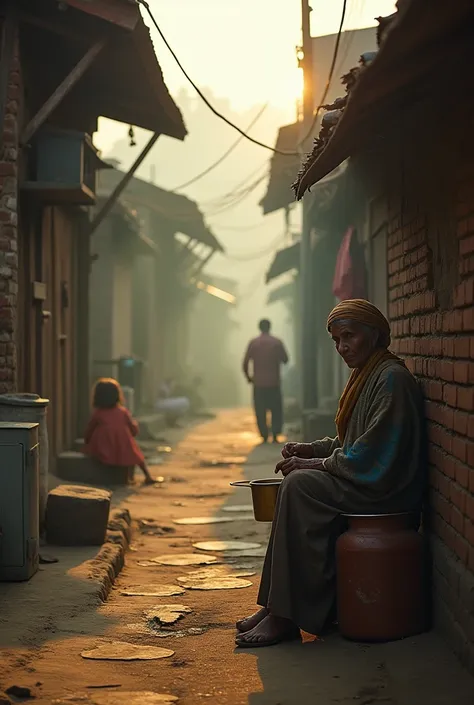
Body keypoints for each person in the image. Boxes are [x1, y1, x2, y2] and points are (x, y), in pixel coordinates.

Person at [236, 300, 425, 648]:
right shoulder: (367, 374)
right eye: (337, 340)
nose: (343, 347)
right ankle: (275, 605)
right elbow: (351, 441)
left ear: (375, 334)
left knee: (299, 485)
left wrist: (316, 464)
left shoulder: (391, 379)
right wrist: (312, 448)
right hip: (365, 478)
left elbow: (372, 454)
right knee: (294, 483)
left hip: (385, 489)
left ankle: (287, 616)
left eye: (349, 337)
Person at [84, 378, 155, 484]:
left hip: (103, 447)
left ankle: (119, 478)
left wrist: (87, 441)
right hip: (123, 445)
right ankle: (146, 476)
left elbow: (90, 429)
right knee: (136, 454)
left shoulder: (98, 413)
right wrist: (133, 433)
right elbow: (133, 428)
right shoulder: (122, 412)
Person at [243, 319, 289, 443]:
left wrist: (249, 377)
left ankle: (264, 435)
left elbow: (245, 362)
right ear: (270, 327)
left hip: (258, 383)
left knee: (260, 410)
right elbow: (285, 359)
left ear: (259, 328)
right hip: (274, 382)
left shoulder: (254, 343)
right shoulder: (276, 343)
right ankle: (274, 434)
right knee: (276, 409)